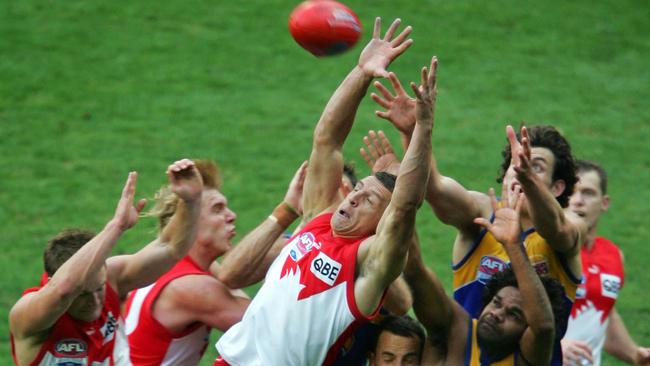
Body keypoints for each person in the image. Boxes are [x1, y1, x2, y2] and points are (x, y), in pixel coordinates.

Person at [215, 17, 434, 365]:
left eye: (370, 200)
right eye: (358, 188)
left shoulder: (368, 266)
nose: (354, 196)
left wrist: (422, 128)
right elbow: (327, 140)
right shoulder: (317, 219)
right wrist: (362, 72)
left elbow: (406, 206)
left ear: (381, 225)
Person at [370, 72, 586, 365]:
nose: (520, 168)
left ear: (557, 187)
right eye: (515, 161)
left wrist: (527, 180)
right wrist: (417, 130)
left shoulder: (571, 224)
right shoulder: (483, 213)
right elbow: (434, 188)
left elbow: (557, 228)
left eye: (534, 166)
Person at [9, 159, 203, 366]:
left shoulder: (112, 278)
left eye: (99, 288)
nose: (95, 301)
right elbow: (64, 289)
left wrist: (192, 201)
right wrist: (116, 226)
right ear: (49, 282)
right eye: (82, 294)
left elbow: (170, 247)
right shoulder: (29, 316)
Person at [125, 159, 306, 365]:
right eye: (217, 209)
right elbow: (271, 328)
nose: (231, 216)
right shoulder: (192, 287)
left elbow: (232, 277)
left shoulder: (177, 267)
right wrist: (299, 230)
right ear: (190, 221)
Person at [404, 184, 567, 365]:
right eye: (496, 303)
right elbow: (413, 270)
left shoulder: (525, 358)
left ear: (526, 332)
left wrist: (513, 245)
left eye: (514, 314)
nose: (496, 314)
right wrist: (401, 196)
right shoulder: (457, 330)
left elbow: (543, 327)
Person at [561, 160, 650, 366]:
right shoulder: (545, 247)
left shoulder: (613, 255)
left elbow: (604, 311)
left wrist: (636, 355)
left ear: (604, 203)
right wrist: (554, 345)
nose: (577, 200)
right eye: (571, 192)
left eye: (588, 192)